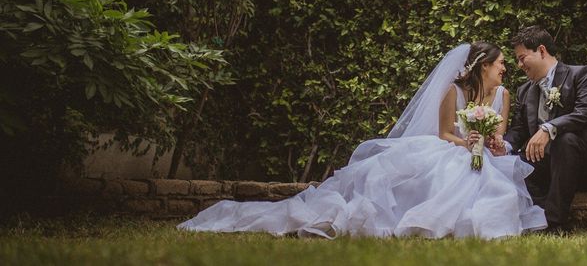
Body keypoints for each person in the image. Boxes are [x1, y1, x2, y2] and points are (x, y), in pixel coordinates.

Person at [178, 42, 546, 239]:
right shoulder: (454, 92)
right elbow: (445, 133)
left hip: (483, 155)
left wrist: (495, 145)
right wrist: (466, 144)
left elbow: (499, 137)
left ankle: (480, 224)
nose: (504, 69)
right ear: (483, 66)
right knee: (454, 171)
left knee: (490, 177)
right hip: (454, 149)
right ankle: (428, 220)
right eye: (500, 64)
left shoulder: (504, 97)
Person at [488, 26, 587, 232]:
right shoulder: (524, 90)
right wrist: (506, 146)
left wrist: (549, 128)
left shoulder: (579, 74)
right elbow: (518, 129)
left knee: (566, 140)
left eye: (522, 58)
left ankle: (554, 223)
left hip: (584, 166)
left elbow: (586, 111)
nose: (519, 65)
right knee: (512, 164)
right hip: (546, 167)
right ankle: (531, 218)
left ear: (542, 50)